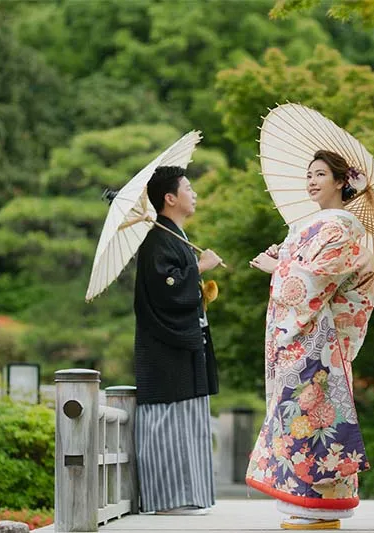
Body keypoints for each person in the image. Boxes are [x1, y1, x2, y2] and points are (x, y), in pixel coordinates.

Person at [247, 150, 374, 530]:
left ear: (340, 182)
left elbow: (318, 279)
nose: (312, 181)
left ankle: (320, 505)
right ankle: (306, 504)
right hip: (303, 340)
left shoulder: (342, 229)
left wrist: (279, 267)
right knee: (296, 419)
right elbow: (302, 268)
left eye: (321, 174)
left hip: (319, 343)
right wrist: (284, 253)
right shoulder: (313, 227)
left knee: (314, 419)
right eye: (309, 175)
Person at [132, 165, 223, 515]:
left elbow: (179, 287)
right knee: (167, 423)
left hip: (184, 345)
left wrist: (197, 279)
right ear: (169, 198)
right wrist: (199, 268)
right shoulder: (157, 239)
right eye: (188, 187)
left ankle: (187, 497)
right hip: (165, 350)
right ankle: (168, 500)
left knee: (188, 423)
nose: (194, 193)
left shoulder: (173, 237)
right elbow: (166, 290)